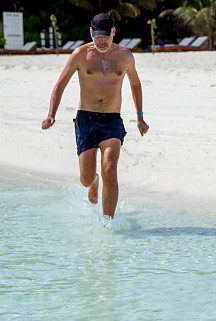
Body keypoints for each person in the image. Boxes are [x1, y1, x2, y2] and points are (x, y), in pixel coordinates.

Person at [41, 13, 149, 218]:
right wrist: (51, 114)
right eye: (97, 36)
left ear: (113, 33)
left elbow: (135, 83)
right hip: (86, 120)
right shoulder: (80, 55)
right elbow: (60, 84)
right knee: (86, 178)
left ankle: (108, 222)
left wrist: (140, 117)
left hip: (111, 121)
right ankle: (94, 182)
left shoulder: (125, 56)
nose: (101, 41)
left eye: (105, 37)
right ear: (91, 33)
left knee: (110, 168)